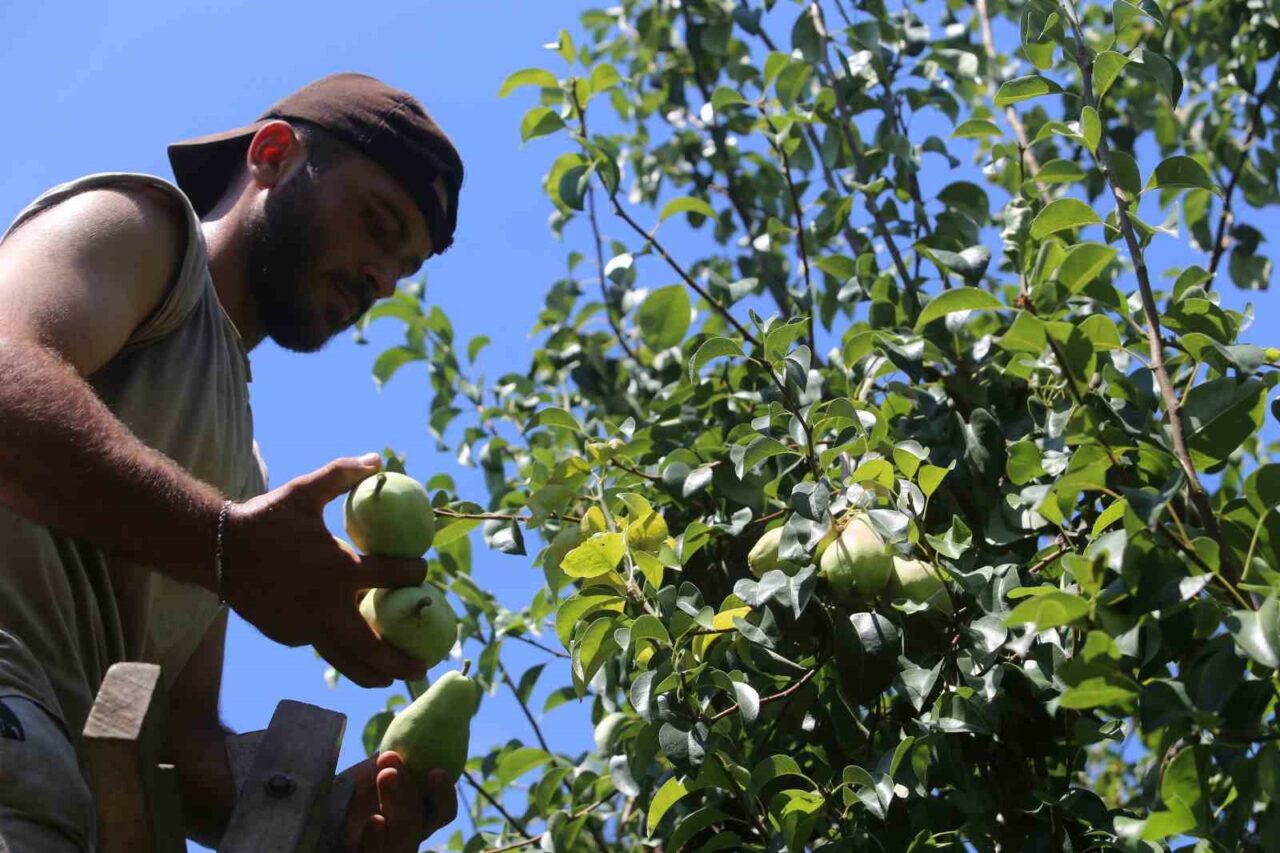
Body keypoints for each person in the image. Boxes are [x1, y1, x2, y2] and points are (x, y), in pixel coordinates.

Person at [0, 72, 464, 852]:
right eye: (378, 225)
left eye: (403, 269)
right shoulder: (143, 229)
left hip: (67, 793)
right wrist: (226, 543)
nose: (381, 278)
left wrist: (334, 818)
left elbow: (184, 741)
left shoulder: (239, 464)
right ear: (274, 154)